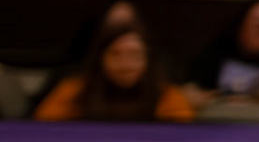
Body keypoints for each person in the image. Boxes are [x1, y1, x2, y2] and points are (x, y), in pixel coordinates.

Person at [33, 19, 194, 123]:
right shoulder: (74, 91)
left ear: (148, 60)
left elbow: (183, 138)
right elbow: (43, 130)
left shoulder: (168, 96)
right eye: (116, 54)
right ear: (100, 59)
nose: (125, 64)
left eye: (135, 55)